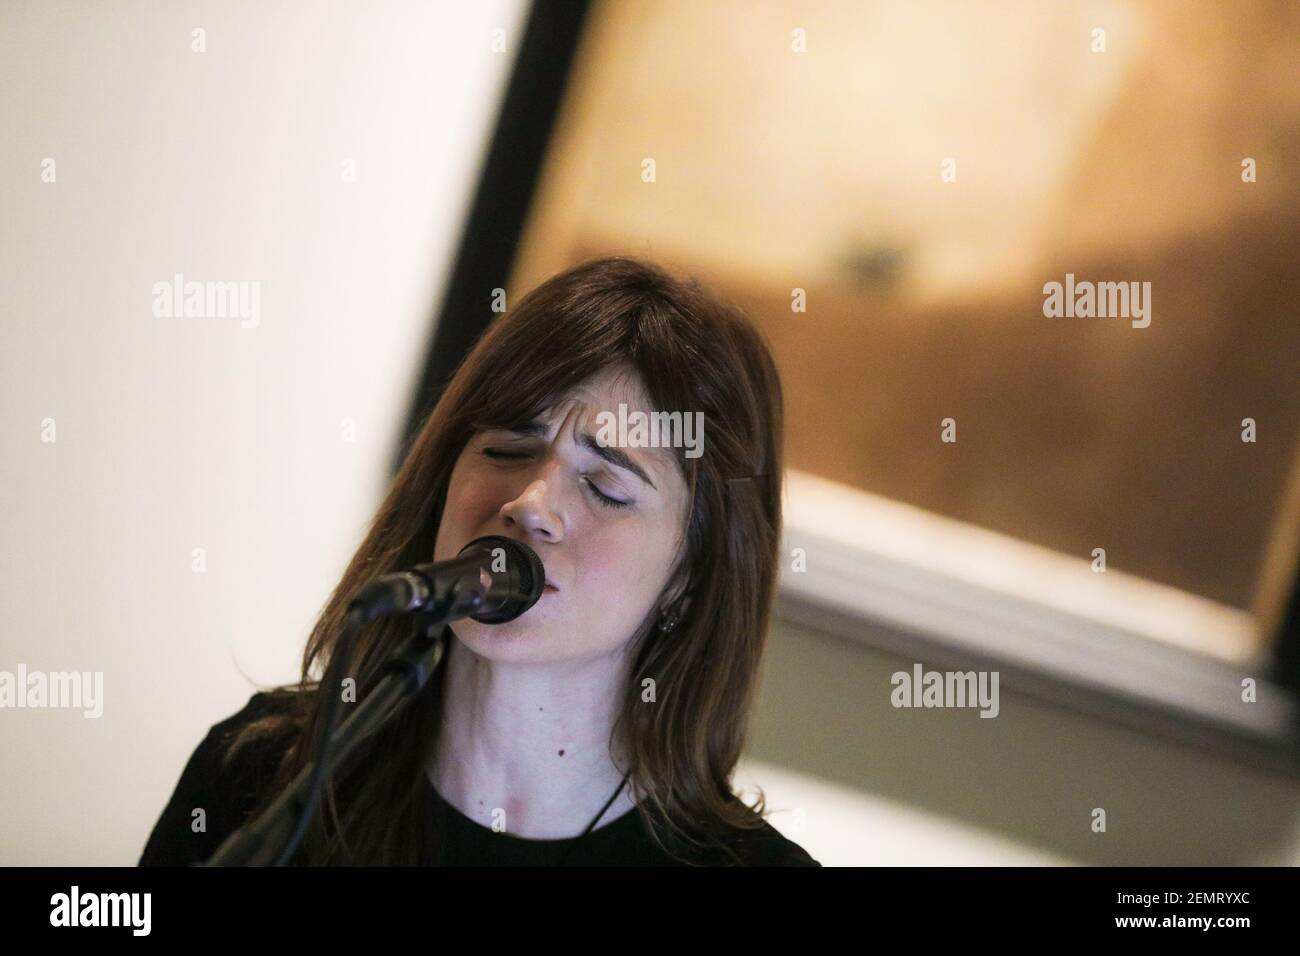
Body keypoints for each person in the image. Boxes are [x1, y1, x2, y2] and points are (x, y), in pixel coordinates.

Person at [139, 255, 820, 866]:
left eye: (605, 487)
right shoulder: (262, 774)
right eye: (506, 449)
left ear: (689, 576)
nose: (531, 502)